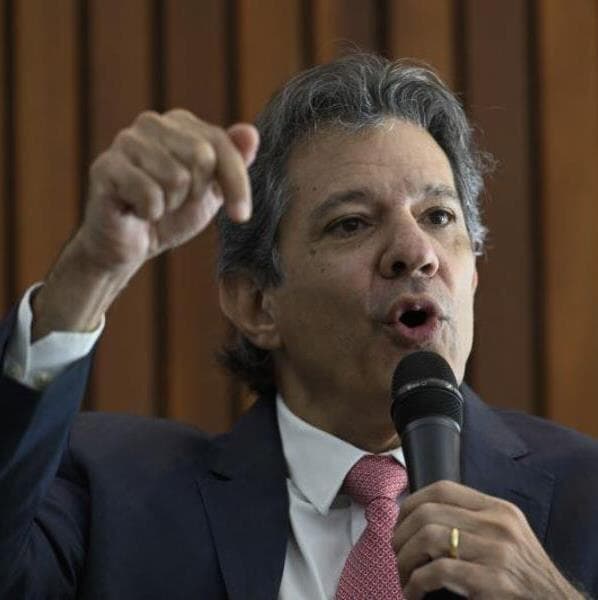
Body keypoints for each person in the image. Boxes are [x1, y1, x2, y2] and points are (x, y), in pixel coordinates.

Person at [0, 53, 596, 599]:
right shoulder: (115, 496)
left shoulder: (585, 496)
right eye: (351, 223)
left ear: (474, 274)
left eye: (438, 216)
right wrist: (92, 268)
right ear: (257, 304)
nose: (416, 252)